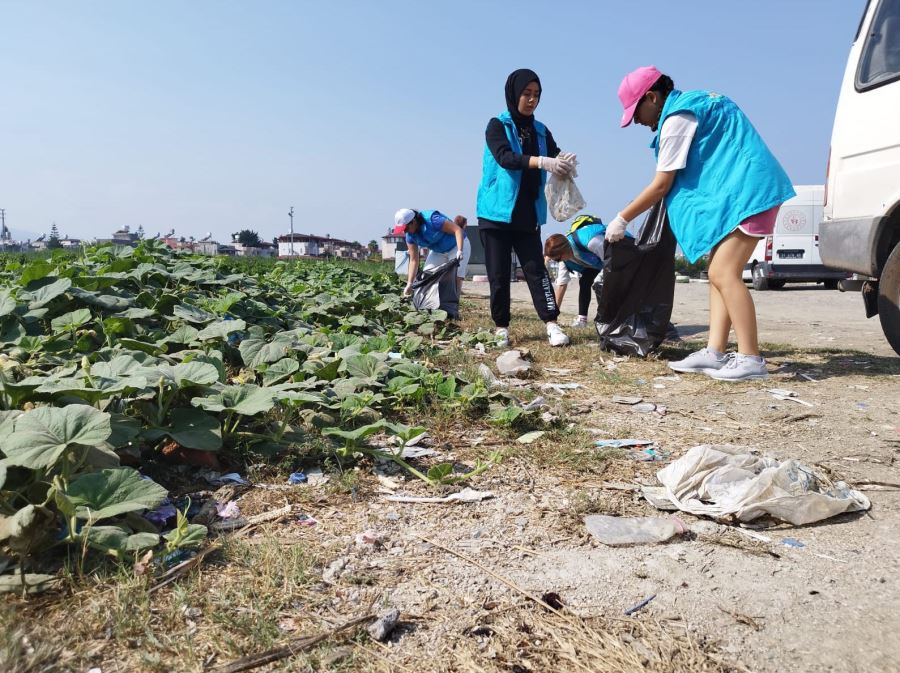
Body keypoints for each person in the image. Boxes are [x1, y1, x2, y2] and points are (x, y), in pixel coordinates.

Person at [608, 66, 795, 381]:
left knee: (724, 273)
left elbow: (661, 185)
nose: (638, 121)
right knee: (716, 272)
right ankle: (715, 352)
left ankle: (751, 358)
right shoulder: (695, 103)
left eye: (636, 112)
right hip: (742, 191)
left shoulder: (677, 119)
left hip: (749, 194)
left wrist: (622, 218)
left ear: (652, 97)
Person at [476, 68, 577, 348]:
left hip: (528, 213)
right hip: (496, 213)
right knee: (498, 274)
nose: (531, 100)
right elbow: (505, 158)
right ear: (514, 94)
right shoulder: (497, 125)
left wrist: (564, 161)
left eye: (536, 95)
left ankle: (552, 324)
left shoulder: (542, 130)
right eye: (526, 94)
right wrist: (543, 162)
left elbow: (554, 154)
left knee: (536, 269)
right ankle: (501, 327)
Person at [544, 216, 612, 327]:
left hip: (618, 250)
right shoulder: (563, 259)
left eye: (556, 259)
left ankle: (612, 319)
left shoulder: (589, 241)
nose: (557, 262)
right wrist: (553, 318)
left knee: (604, 284)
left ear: (563, 251)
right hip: (596, 262)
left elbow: (611, 259)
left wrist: (600, 277)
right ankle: (582, 320)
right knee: (585, 281)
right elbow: (561, 285)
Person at [394, 208, 469, 296]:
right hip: (438, 251)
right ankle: (431, 304)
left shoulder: (433, 220)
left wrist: (460, 250)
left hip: (456, 245)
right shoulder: (410, 236)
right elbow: (414, 260)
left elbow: (457, 230)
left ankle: (453, 304)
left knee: (455, 277)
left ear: (413, 221)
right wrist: (410, 283)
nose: (405, 231)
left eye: (406, 228)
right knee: (427, 276)